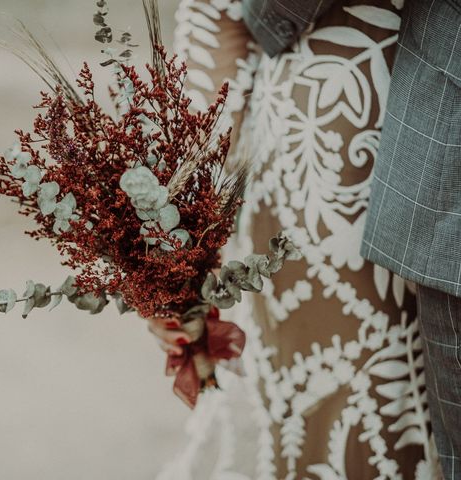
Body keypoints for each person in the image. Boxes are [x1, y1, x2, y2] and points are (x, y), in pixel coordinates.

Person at [148, 0, 458, 478]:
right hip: (314, 167)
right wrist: (182, 231)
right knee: (342, 426)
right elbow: (218, 19)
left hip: (376, 138)